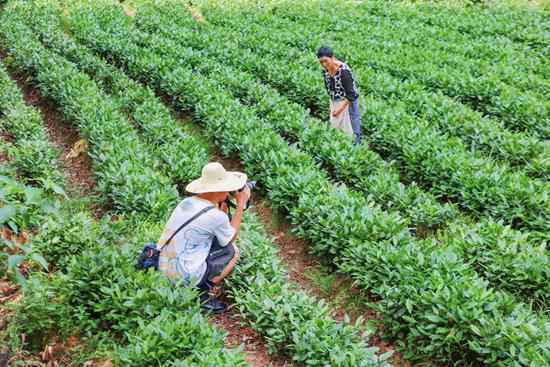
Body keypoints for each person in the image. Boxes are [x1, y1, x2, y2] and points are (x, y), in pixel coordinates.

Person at [157, 162, 251, 314]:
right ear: (217, 190)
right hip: (183, 276)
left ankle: (195, 285)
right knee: (233, 250)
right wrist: (240, 204)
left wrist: (224, 204)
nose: (228, 193)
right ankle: (202, 295)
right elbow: (230, 238)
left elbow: (215, 223)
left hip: (163, 267)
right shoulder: (215, 216)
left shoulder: (186, 202)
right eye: (227, 189)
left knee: (215, 242)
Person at [317, 46, 362, 145]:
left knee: (352, 127)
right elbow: (329, 90)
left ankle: (357, 149)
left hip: (348, 102)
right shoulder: (325, 71)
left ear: (332, 57)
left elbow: (351, 94)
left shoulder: (344, 72)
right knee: (337, 127)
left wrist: (340, 109)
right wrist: (333, 106)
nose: (324, 64)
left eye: (326, 61)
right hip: (336, 101)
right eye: (321, 62)